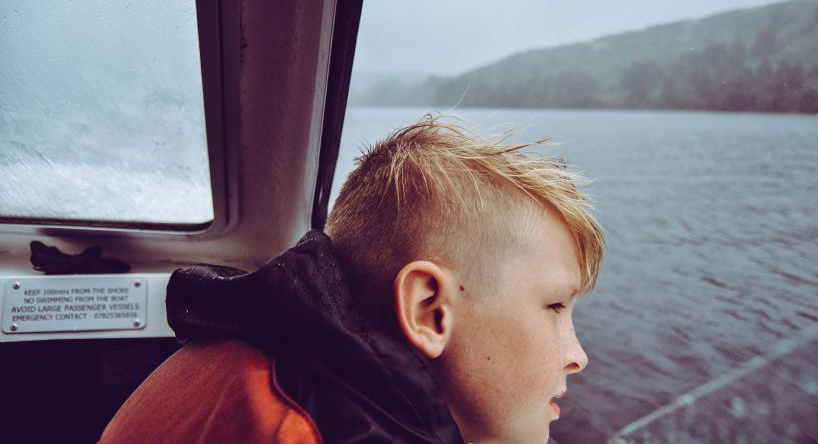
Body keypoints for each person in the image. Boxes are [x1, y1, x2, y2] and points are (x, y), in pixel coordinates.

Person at [100, 115, 604, 444]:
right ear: (431, 311)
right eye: (555, 307)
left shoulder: (270, 358)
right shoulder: (298, 431)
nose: (577, 356)